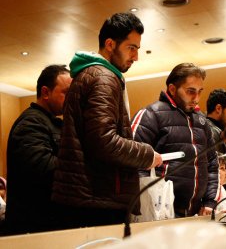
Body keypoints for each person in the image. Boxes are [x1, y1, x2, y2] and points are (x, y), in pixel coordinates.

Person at [51, 12, 163, 229]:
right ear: (110, 44)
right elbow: (104, 141)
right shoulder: (103, 77)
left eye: (137, 49)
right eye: (131, 48)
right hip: (96, 199)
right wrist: (147, 155)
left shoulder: (93, 74)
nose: (136, 57)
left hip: (89, 196)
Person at [131, 63, 219, 217]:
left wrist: (210, 201)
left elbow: (212, 164)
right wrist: (148, 206)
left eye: (199, 92)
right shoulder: (150, 114)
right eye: (190, 91)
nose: (197, 98)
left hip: (196, 213)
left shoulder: (202, 121)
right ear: (172, 89)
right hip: (160, 213)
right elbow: (133, 162)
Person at [4, 65, 72, 235]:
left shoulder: (52, 122)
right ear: (45, 92)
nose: (71, 99)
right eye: (66, 93)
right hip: (34, 227)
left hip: (47, 223)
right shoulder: (31, 123)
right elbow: (44, 169)